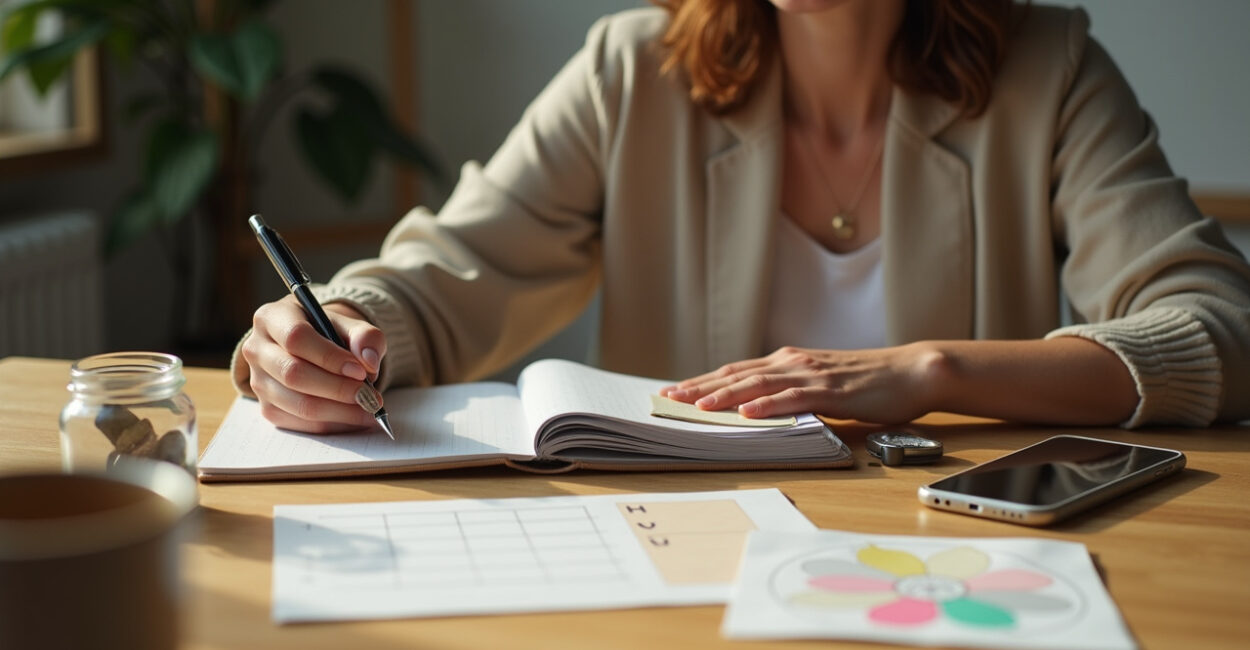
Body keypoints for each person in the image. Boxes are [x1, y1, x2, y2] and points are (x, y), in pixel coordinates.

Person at [233, 0, 1250, 435]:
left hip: (954, 557)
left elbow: (1216, 329)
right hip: (686, 554)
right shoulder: (630, 69)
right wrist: (329, 324)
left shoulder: (1048, 68)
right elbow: (453, 271)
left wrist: (929, 369)